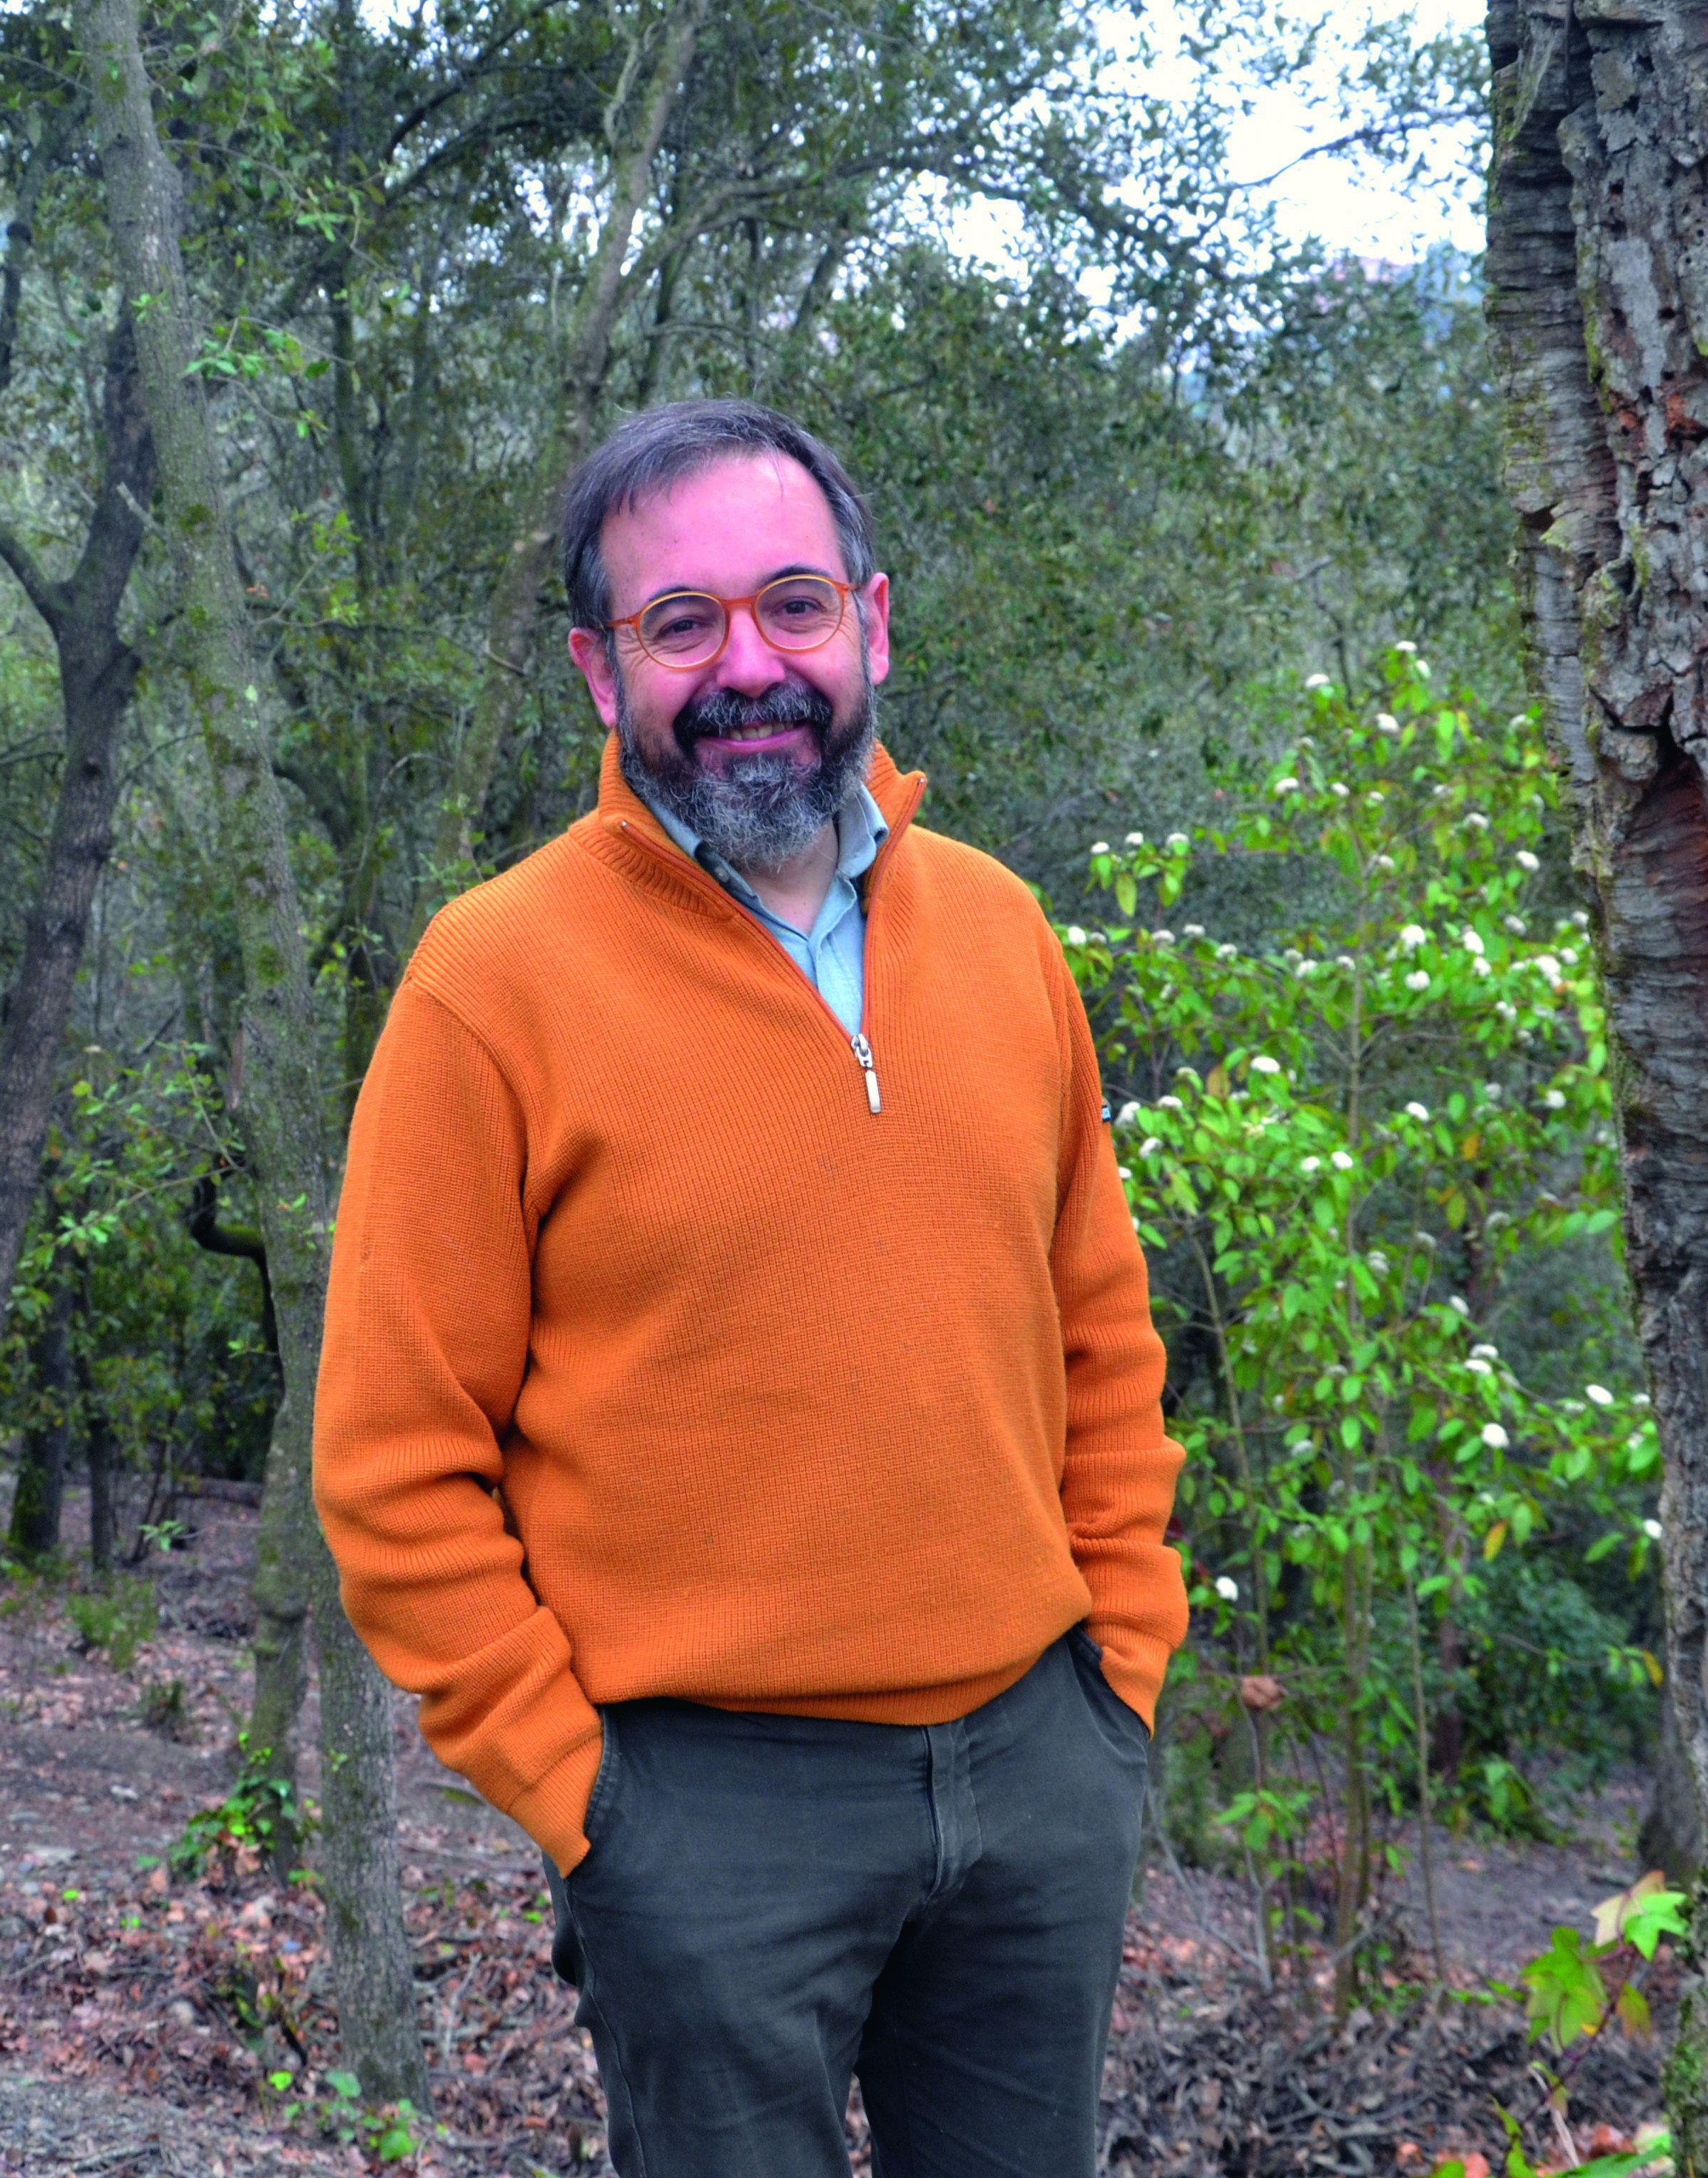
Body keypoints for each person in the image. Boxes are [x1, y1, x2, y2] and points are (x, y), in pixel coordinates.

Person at [313, 397, 1188, 2177]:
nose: (748, 667)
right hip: (701, 1815)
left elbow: (1101, 1336)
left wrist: (1119, 1678)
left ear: (871, 623)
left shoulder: (1005, 935)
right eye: (680, 623)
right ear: (598, 669)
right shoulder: (491, 984)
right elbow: (396, 1460)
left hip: (1041, 1773)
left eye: (794, 605)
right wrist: (587, 1805)